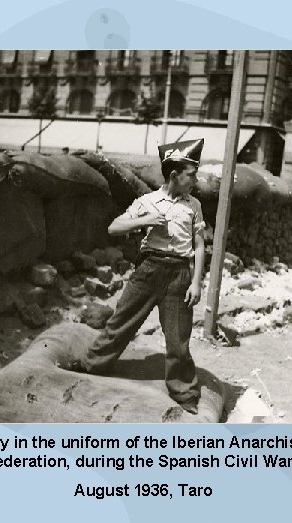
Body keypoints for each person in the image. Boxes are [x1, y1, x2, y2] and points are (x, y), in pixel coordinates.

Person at [76, 139, 206, 414]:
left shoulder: (193, 205)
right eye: (191, 174)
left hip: (179, 274)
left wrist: (196, 282)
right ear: (174, 175)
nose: (196, 179)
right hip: (148, 270)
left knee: (178, 337)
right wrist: (144, 221)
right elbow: (114, 227)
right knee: (121, 322)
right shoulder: (147, 201)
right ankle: (93, 365)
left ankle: (184, 392)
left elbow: (199, 244)